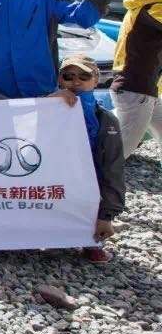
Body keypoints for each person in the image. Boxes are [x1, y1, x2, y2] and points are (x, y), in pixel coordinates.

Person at [50, 53, 124, 263]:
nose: (76, 82)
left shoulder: (106, 120)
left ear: (96, 79)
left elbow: (113, 169)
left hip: (90, 185)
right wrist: (47, 103)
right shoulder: (46, 106)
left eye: (84, 76)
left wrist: (106, 216)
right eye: (69, 76)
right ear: (59, 79)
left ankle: (92, 241)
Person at [111, 0, 162, 157]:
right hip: (136, 89)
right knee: (117, 154)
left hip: (142, 88)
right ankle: (89, 178)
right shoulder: (155, 5)